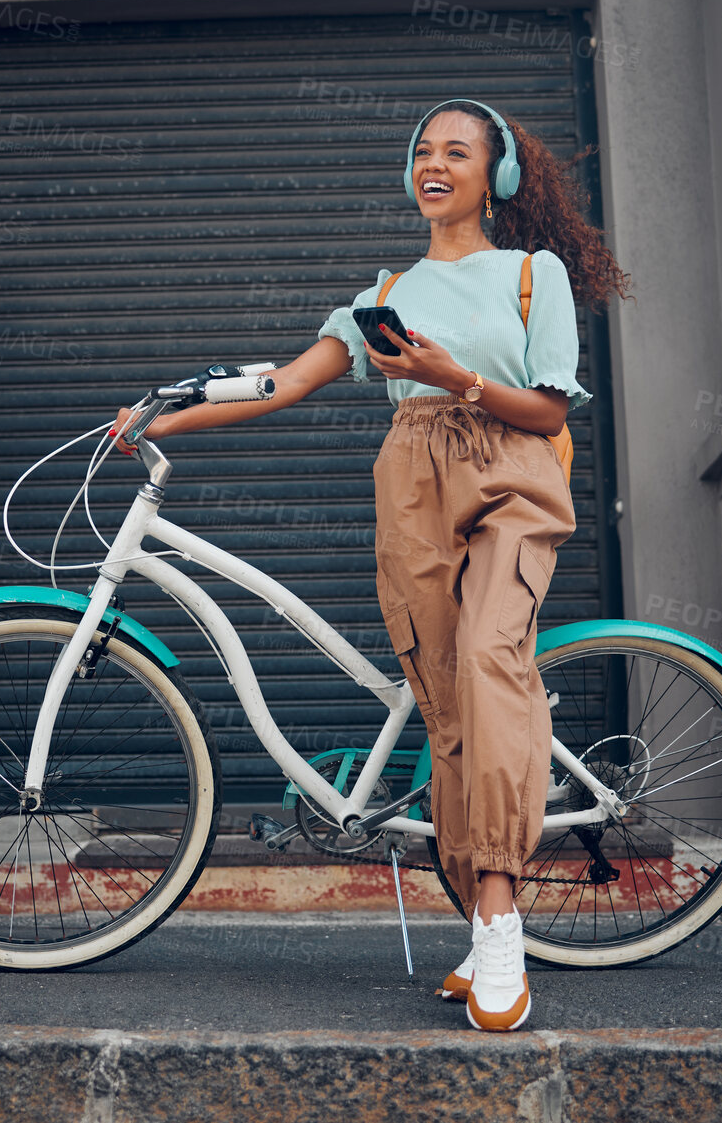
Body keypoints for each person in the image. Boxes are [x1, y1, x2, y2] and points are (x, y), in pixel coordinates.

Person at [113, 98, 629, 1030]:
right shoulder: (384, 291)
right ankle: (478, 918)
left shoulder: (530, 274)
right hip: (412, 489)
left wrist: (451, 377)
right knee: (445, 705)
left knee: (486, 660)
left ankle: (504, 919)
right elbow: (285, 379)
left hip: (509, 475)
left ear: (495, 175)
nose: (435, 164)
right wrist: (166, 414)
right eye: (423, 151)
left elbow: (550, 411)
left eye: (457, 152)